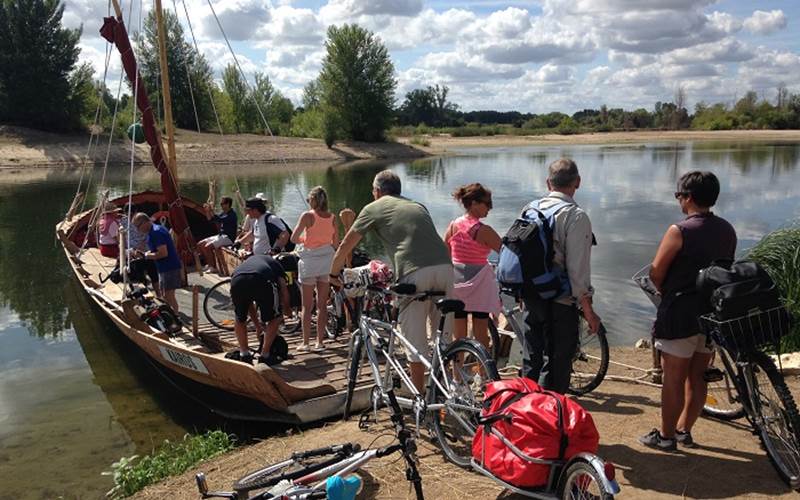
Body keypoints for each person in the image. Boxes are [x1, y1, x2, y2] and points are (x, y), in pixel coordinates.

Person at [639, 171, 736, 451]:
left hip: (680, 314)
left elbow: (656, 273)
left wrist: (664, 288)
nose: (679, 201)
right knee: (698, 376)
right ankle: (684, 430)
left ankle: (667, 437)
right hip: (711, 314)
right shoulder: (727, 229)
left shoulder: (679, 230)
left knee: (673, 379)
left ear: (689, 197)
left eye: (679, 196)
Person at [330, 170, 452, 392]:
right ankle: (450, 389)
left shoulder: (373, 207)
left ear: (377, 191)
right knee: (442, 338)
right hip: (446, 268)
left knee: (415, 343)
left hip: (415, 273)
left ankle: (420, 398)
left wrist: (332, 273)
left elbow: (347, 244)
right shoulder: (417, 205)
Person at [519, 158, 601, 394]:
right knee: (557, 362)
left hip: (532, 297)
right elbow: (578, 272)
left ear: (548, 183)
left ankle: (528, 412)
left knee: (532, 358)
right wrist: (589, 311)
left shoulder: (529, 209)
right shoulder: (576, 216)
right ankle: (551, 416)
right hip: (560, 300)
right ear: (578, 182)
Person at [443, 183, 502, 350]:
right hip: (479, 286)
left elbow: (445, 253)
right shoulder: (484, 231)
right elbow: (507, 254)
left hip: (457, 285)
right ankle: (484, 373)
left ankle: (456, 375)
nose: (490, 208)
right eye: (487, 204)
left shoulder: (453, 225)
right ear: (474, 203)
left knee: (458, 337)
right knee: (481, 336)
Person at [292, 186, 339, 351]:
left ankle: (305, 343)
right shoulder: (332, 217)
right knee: (322, 305)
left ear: (313, 200)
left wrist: (306, 238)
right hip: (326, 262)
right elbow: (335, 244)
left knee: (307, 306)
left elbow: (294, 238)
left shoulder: (307, 216)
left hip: (309, 263)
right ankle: (320, 342)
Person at [226, 254, 290, 365]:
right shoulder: (276, 265)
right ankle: (265, 355)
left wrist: (258, 326)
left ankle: (244, 354)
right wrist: (287, 308)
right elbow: (283, 288)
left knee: (240, 317)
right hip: (262, 278)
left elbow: (249, 304)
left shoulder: (248, 262)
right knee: (276, 317)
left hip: (237, 279)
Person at [131, 212, 183, 314]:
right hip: (164, 267)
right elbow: (156, 250)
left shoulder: (156, 232)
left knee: (169, 296)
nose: (137, 230)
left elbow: (163, 253)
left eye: (138, 226)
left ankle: (176, 318)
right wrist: (145, 253)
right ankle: (171, 316)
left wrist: (146, 256)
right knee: (165, 295)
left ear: (144, 222)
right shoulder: (154, 230)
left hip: (169, 267)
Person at [121, 205, 159, 294]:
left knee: (153, 274)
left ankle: (158, 294)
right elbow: (121, 235)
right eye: (128, 214)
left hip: (144, 250)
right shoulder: (123, 222)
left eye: (132, 214)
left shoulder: (142, 221)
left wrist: (139, 248)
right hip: (131, 251)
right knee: (137, 275)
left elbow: (149, 235)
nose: (130, 216)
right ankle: (142, 291)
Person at [198, 196, 237, 273]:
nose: (221, 205)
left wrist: (211, 210)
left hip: (228, 238)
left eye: (223, 204)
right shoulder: (223, 213)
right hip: (221, 236)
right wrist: (207, 211)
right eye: (221, 204)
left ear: (228, 204)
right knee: (200, 244)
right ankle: (209, 264)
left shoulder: (232, 215)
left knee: (207, 247)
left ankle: (213, 267)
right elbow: (211, 220)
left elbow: (218, 219)